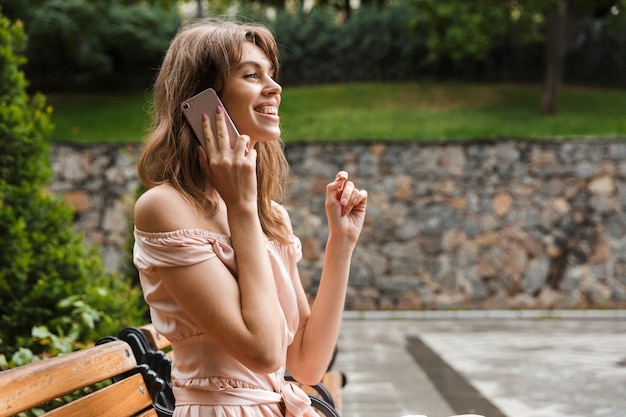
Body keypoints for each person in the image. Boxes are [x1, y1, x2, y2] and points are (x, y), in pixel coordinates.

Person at [132, 18, 368, 417]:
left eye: (272, 75)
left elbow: (308, 363)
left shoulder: (268, 214)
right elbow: (263, 351)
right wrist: (241, 209)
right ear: (204, 101)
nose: (274, 88)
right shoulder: (164, 208)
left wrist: (340, 243)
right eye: (251, 75)